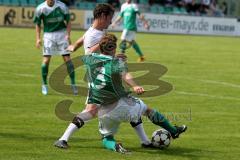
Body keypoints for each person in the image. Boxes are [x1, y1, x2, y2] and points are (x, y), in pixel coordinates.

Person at [54, 3, 152, 149]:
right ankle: (63, 139)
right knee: (95, 110)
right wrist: (107, 51)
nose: (111, 22)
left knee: (125, 106)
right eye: (109, 18)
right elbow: (89, 55)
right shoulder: (97, 35)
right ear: (102, 16)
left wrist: (74, 45)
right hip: (101, 79)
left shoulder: (95, 31)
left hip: (105, 77)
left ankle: (145, 141)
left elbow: (84, 38)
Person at [82, 34, 187, 153]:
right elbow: (125, 75)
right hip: (120, 103)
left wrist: (102, 43)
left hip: (103, 109)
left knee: (107, 137)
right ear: (114, 48)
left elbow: (90, 51)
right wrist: (135, 85)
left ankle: (116, 146)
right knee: (147, 110)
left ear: (101, 47)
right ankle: (173, 131)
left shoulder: (91, 59)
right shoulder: (116, 62)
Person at [33, 0, 77, 95]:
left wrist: (68, 35)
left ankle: (73, 84)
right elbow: (38, 24)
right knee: (46, 60)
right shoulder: (40, 8)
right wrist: (38, 38)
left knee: (68, 60)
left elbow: (68, 21)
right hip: (48, 36)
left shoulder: (62, 6)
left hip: (62, 34)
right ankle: (44, 84)